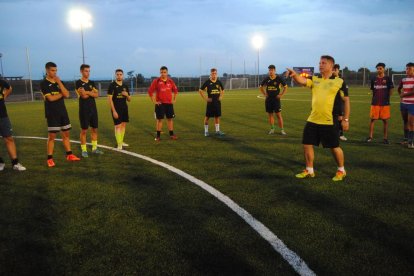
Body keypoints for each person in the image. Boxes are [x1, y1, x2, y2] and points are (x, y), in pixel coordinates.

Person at [287, 55, 349, 181]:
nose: (320, 65)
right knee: (307, 144)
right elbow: (302, 81)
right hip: (313, 119)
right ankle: (309, 170)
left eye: (323, 63)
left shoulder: (339, 82)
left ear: (331, 65)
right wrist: (294, 75)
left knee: (334, 147)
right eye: (320, 63)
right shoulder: (315, 79)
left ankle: (341, 170)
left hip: (329, 120)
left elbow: (346, 101)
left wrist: (345, 119)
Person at [40, 62, 80, 167]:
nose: (55, 72)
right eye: (53, 70)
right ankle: (49, 158)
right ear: (47, 71)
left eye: (56, 70)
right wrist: (62, 94)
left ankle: (69, 155)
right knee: (52, 136)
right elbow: (51, 99)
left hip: (63, 112)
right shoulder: (44, 83)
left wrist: (59, 82)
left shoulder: (59, 82)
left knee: (66, 134)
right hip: (52, 113)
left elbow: (67, 94)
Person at [75, 64, 103, 157]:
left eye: (89, 71)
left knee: (94, 129)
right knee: (84, 130)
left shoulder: (92, 82)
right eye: (86, 71)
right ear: (81, 72)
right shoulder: (78, 83)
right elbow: (83, 96)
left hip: (93, 109)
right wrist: (91, 93)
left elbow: (97, 95)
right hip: (84, 110)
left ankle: (94, 148)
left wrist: (87, 92)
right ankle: (84, 150)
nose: (88, 73)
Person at [0, 79, 26, 171]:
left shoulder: (1, 81)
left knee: (9, 138)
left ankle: (15, 163)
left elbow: (9, 88)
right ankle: (0, 162)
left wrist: (4, 96)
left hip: (2, 115)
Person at [148, 66, 178, 141]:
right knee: (159, 120)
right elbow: (150, 91)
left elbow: (175, 91)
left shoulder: (170, 81)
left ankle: (171, 134)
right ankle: (158, 136)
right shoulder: (156, 81)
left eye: (164, 72)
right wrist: (154, 101)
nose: (163, 74)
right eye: (161, 72)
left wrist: (174, 99)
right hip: (160, 104)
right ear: (160, 72)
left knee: (170, 119)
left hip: (169, 104)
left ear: (167, 73)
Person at [366, 63, 394, 144]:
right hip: (375, 103)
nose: (379, 70)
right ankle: (370, 137)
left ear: (384, 69)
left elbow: (391, 89)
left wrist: (387, 97)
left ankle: (385, 138)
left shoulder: (388, 78)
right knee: (372, 120)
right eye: (377, 68)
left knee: (385, 121)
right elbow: (372, 89)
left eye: (380, 68)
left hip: (385, 103)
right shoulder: (373, 79)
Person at [259, 65, 288, 135]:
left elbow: (286, 87)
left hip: (276, 100)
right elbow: (260, 86)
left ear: (275, 70)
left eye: (272, 70)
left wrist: (281, 95)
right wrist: (264, 94)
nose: (270, 71)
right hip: (268, 100)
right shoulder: (266, 78)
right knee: (270, 115)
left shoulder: (279, 78)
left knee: (278, 115)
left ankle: (282, 130)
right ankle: (272, 129)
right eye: (269, 70)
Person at [107, 69, 131, 150]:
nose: (119, 76)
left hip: (124, 108)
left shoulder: (125, 86)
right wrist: (113, 111)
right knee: (118, 126)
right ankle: (119, 144)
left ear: (123, 75)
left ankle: (121, 141)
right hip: (116, 109)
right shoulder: (112, 85)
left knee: (123, 125)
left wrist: (127, 95)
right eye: (117, 74)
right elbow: (110, 99)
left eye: (120, 74)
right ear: (115, 75)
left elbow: (129, 99)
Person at [199, 68, 225, 137]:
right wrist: (205, 98)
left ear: (217, 74)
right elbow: (200, 90)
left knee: (217, 117)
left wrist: (221, 97)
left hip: (217, 102)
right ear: (211, 74)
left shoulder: (219, 82)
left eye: (215, 73)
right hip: (210, 103)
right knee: (207, 117)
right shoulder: (207, 82)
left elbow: (223, 90)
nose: (214, 75)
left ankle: (217, 131)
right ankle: (206, 131)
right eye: (213, 73)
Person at [397, 62, 414, 148]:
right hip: (403, 104)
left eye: (409, 69)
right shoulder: (403, 79)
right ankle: (406, 139)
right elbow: (398, 88)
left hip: (412, 104)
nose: (407, 70)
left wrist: (403, 95)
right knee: (405, 122)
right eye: (406, 68)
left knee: (411, 123)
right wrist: (401, 95)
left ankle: (411, 142)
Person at [332, 64, 350, 141]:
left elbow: (346, 95)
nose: (334, 71)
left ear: (338, 70)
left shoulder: (341, 80)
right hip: (332, 103)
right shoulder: (330, 79)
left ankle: (341, 134)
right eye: (333, 70)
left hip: (340, 103)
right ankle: (333, 134)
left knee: (340, 118)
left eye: (335, 70)